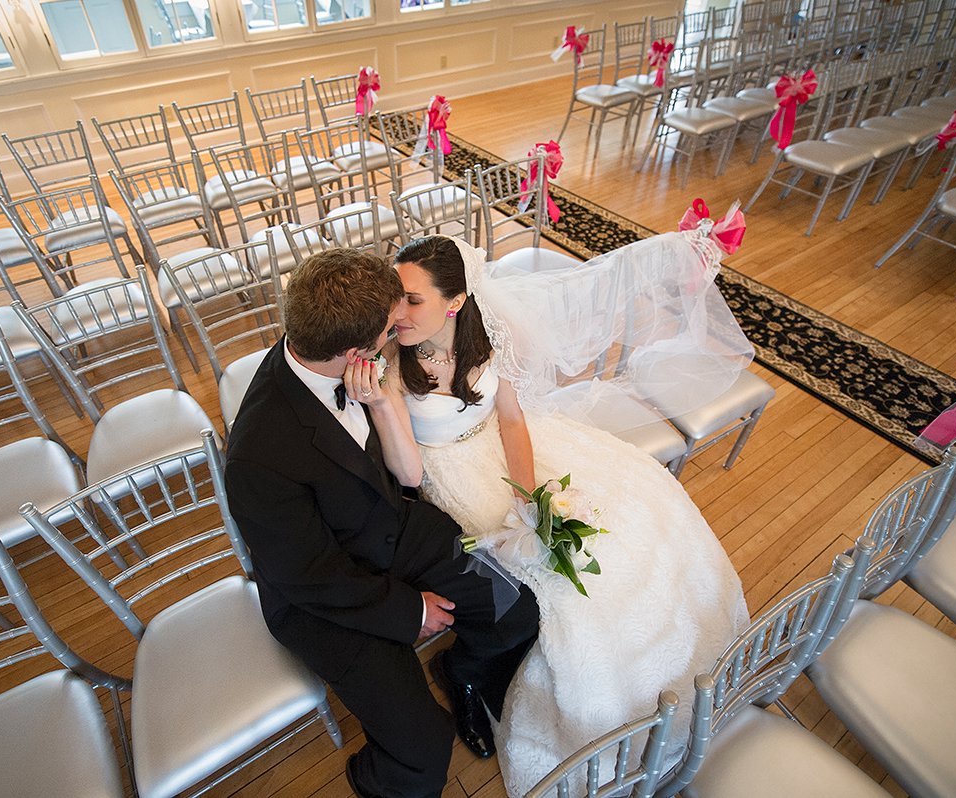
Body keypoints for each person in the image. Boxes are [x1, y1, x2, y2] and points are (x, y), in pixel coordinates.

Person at [381, 234, 752, 796]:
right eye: (395, 296)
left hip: (508, 455)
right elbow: (408, 476)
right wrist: (383, 402)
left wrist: (529, 498)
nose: (396, 312)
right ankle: (466, 673)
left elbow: (510, 421)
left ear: (455, 302)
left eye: (411, 299)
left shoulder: (485, 340)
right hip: (446, 472)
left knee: (625, 524)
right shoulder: (392, 360)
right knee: (549, 587)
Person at [224, 248, 540, 798]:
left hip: (396, 529)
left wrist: (385, 409)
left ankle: (460, 671)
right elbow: (305, 575)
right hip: (327, 598)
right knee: (422, 754)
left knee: (516, 612)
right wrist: (407, 609)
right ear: (356, 350)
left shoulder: (355, 364)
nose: (401, 332)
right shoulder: (257, 453)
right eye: (391, 328)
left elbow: (406, 479)